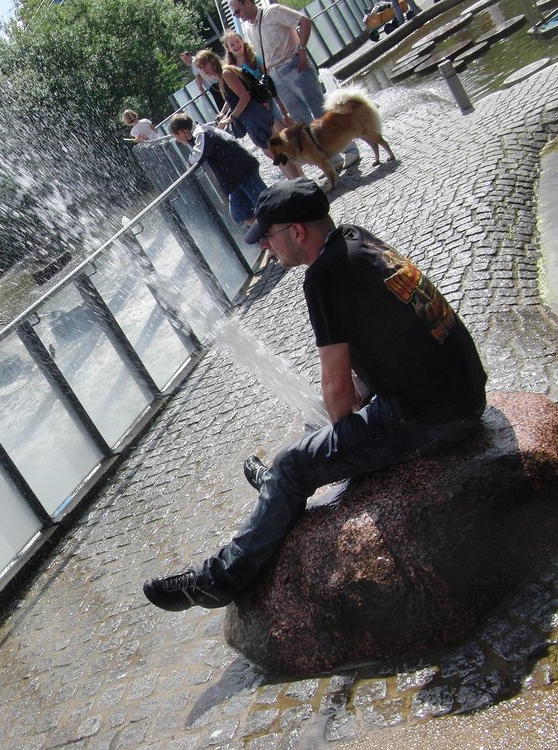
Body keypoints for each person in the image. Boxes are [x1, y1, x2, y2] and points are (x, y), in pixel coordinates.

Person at [143, 178, 487, 612]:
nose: (266, 248)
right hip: (459, 389)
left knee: (293, 465)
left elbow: (338, 384)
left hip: (434, 417)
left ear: (297, 232)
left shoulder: (324, 276)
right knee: (313, 426)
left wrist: (336, 450)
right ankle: (278, 490)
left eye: (267, 236)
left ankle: (220, 579)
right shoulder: (356, 240)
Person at [229, 0, 359, 171]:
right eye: (234, 13)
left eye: (237, 11)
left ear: (247, 3)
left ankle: (350, 149)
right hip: (276, 74)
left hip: (295, 65)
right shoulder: (248, 28)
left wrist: (302, 49)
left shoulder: (272, 12)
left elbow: (304, 21)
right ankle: (331, 159)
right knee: (302, 120)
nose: (237, 16)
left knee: (322, 111)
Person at [193, 50, 302, 180]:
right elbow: (231, 99)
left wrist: (231, 118)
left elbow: (244, 96)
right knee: (275, 153)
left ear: (212, 62)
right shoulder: (222, 77)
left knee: (278, 153)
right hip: (252, 120)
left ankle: (300, 182)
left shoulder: (226, 74)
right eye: (200, 68)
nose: (204, 70)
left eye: (205, 65)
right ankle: (299, 182)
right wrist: (223, 113)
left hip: (257, 118)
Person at [169, 113, 267, 228]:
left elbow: (197, 156)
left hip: (242, 170)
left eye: (176, 137)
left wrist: (188, 164)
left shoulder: (202, 133)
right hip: (234, 177)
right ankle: (266, 232)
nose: (177, 140)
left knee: (265, 203)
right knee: (240, 213)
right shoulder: (198, 132)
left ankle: (282, 226)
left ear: (181, 132)